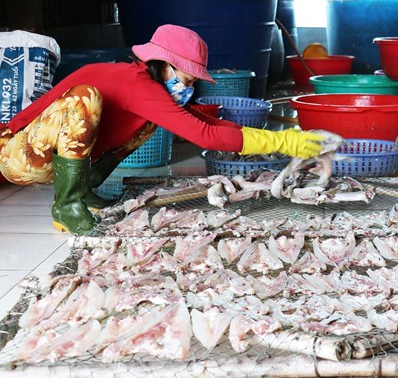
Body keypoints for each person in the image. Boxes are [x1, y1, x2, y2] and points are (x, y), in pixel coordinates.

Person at [0, 24, 326, 235]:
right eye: (187, 79)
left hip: (41, 156)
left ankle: (83, 192)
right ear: (165, 65)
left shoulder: (150, 90)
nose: (189, 87)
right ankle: (66, 206)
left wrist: (287, 139)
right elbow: (204, 136)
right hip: (15, 153)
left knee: (149, 124)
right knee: (85, 100)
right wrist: (284, 141)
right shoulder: (136, 84)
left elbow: (204, 123)